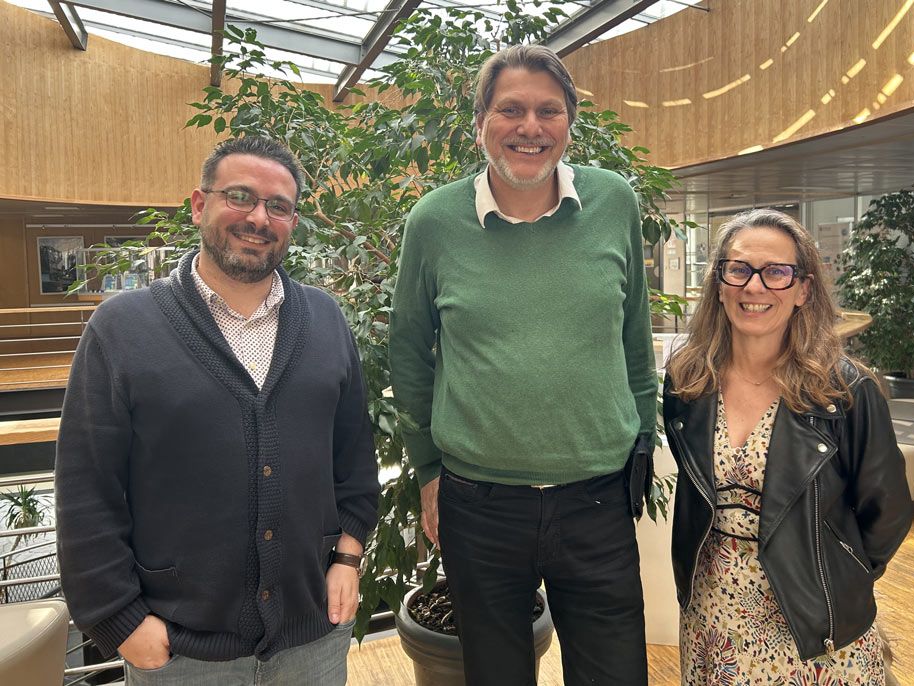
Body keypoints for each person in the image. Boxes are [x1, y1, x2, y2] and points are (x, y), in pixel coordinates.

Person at [55, 136, 379, 685]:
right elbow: (87, 490)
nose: (258, 217)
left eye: (278, 206)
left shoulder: (325, 319)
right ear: (199, 205)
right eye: (240, 196)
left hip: (313, 638)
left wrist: (348, 555)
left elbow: (354, 456)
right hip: (181, 651)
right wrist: (120, 620)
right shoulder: (122, 330)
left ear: (292, 222)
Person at [389, 45, 656, 685]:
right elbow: (409, 351)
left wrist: (642, 444)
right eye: (510, 109)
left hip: (597, 498)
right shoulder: (433, 222)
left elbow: (635, 340)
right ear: (480, 120)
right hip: (479, 506)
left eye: (548, 111)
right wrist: (428, 471)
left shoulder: (615, 203)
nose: (529, 128)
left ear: (569, 123)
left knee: (616, 674)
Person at [663, 209, 913, 685]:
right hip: (712, 615)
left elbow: (888, 512)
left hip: (811, 623)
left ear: (803, 290)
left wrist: (838, 578)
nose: (754, 287)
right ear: (719, 283)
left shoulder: (844, 392)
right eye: (738, 269)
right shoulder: (688, 382)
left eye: (776, 272)